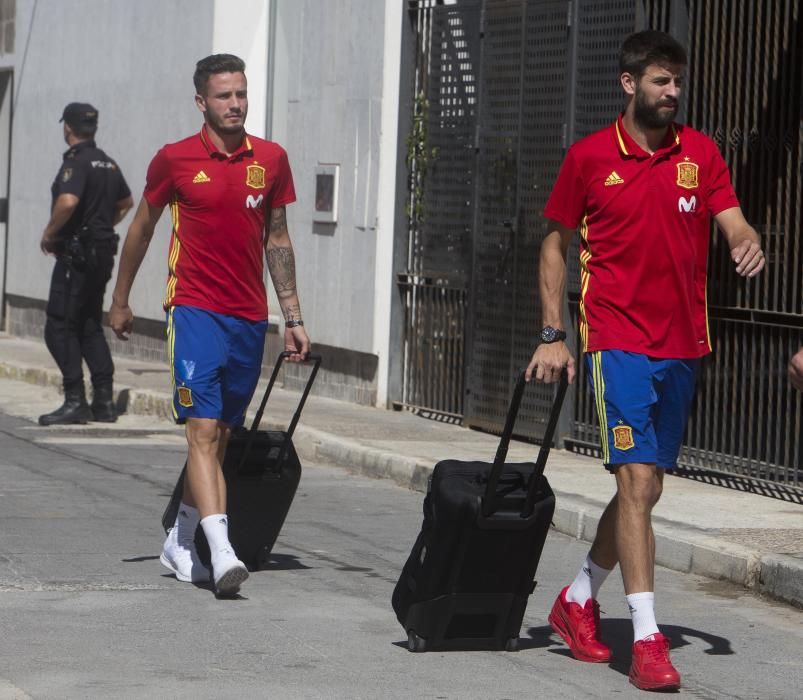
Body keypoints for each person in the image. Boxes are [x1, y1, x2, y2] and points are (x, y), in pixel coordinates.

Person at [526, 31, 764, 691]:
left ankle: (576, 599)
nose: (672, 93)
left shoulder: (700, 153)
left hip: (682, 345)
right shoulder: (588, 157)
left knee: (646, 489)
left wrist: (746, 241)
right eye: (661, 81)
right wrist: (553, 331)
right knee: (634, 485)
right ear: (628, 83)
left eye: (677, 82)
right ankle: (649, 639)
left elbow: (731, 219)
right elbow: (554, 245)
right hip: (615, 342)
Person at [108, 54, 310, 597]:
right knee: (201, 428)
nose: (235, 104)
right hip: (193, 308)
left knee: (220, 434)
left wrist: (291, 316)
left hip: (248, 316)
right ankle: (222, 554)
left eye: (241, 94)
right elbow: (142, 230)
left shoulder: (270, 159)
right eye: (224, 96)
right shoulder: (174, 160)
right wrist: (120, 298)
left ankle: (181, 536)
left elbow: (278, 239)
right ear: (202, 101)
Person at [39, 103, 133, 426]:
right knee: (89, 321)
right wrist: (103, 226)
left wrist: (50, 233)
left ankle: (75, 399)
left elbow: (68, 201)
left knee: (59, 325)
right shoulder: (107, 163)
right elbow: (125, 203)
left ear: (67, 128)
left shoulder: (76, 164)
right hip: (103, 252)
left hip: (77, 254)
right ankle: (104, 400)